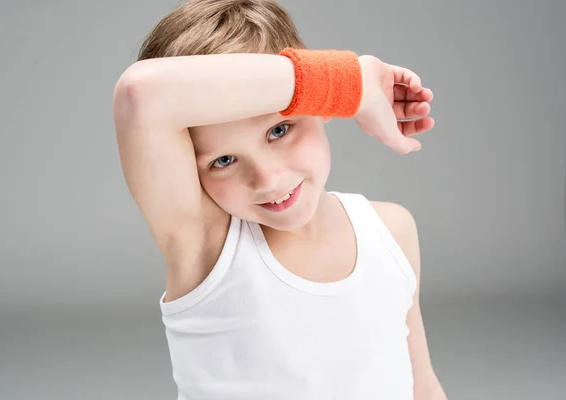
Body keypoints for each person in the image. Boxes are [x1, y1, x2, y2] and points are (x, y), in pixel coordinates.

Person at [112, 0, 446, 398]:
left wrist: (332, 89)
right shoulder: (205, 245)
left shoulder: (392, 230)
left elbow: (421, 384)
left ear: (323, 108)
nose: (267, 179)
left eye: (279, 130)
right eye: (223, 160)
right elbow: (140, 94)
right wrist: (349, 81)